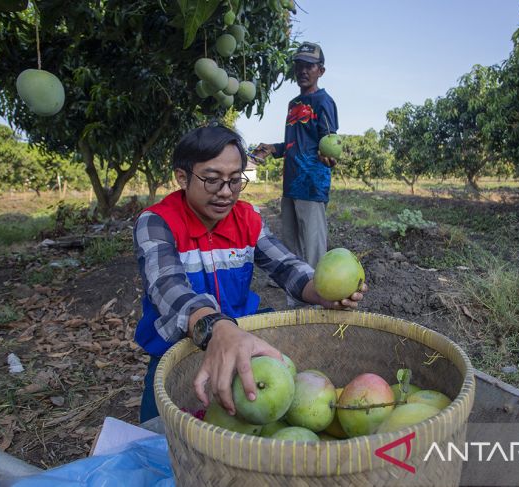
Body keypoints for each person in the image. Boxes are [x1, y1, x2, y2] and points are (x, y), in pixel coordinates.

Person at [133, 124, 365, 423]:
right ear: (182, 177)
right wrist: (218, 328)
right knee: (158, 438)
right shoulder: (157, 222)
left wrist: (320, 291)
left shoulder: (248, 219)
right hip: (174, 354)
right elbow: (168, 287)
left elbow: (286, 267)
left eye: (235, 180)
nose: (226, 193)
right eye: (213, 180)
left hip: (244, 347)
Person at [253, 41, 338, 271]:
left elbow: (329, 142)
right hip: (290, 184)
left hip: (311, 185)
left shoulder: (324, 102)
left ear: (321, 71)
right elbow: (296, 143)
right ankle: (297, 298)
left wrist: (328, 158)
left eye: (309, 66)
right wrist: (273, 148)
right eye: (299, 65)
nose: (303, 70)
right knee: (291, 248)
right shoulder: (294, 104)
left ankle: (319, 299)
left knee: (313, 251)